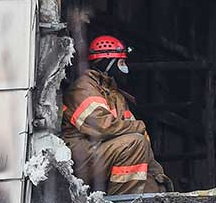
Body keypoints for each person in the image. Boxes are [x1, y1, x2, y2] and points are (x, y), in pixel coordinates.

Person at [61, 35, 172, 194]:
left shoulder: (115, 95)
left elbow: (140, 137)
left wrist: (157, 175)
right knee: (133, 143)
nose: (125, 68)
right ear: (108, 63)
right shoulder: (83, 88)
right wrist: (139, 126)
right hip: (79, 158)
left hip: (101, 155)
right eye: (121, 62)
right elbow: (101, 128)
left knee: (153, 185)